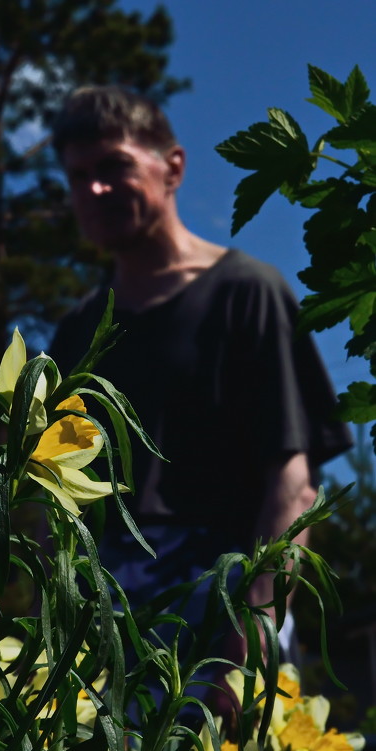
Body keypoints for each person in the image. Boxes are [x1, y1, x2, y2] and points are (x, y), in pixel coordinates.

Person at [45, 86, 352, 669]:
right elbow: (51, 503)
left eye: (114, 166)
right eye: (77, 176)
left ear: (173, 168)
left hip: (224, 594)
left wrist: (257, 622)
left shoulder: (246, 292)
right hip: (104, 622)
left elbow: (292, 480)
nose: (94, 189)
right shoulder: (78, 330)